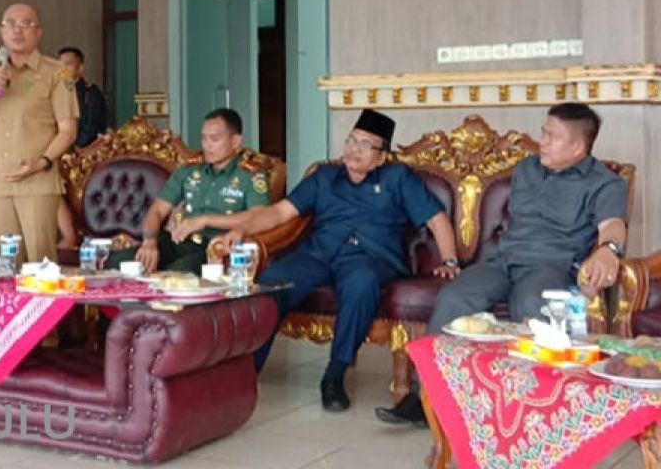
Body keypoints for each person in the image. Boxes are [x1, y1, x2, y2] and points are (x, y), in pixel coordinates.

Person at [177, 109, 460, 413]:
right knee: (273, 281)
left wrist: (450, 260)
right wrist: (240, 229)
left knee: (361, 283)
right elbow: (278, 213)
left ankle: (334, 376)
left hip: (370, 258)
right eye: (352, 140)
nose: (354, 149)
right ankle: (247, 370)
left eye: (365, 145)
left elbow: (436, 219)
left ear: (381, 157)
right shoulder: (325, 176)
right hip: (320, 254)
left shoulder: (398, 177)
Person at [376, 102, 628, 427]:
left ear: (578, 146)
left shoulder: (605, 182)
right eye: (543, 132)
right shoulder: (527, 169)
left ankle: (529, 404)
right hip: (502, 261)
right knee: (455, 295)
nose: (542, 141)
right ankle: (427, 397)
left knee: (531, 303)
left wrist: (608, 249)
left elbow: (612, 226)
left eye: (551, 136)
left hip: (549, 267)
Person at [0, 2, 78, 263]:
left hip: (37, 181)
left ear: (39, 33)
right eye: (11, 24)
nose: (18, 30)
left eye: (26, 24)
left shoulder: (57, 73)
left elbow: (68, 131)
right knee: (7, 264)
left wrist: (42, 163)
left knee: (40, 265)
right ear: (2, 32)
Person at [108, 108, 270, 273]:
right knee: (118, 261)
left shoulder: (250, 175)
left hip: (214, 248)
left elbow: (259, 216)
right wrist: (149, 242)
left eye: (214, 139)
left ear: (235, 141)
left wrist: (205, 220)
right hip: (178, 241)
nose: (207, 146)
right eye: (204, 138)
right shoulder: (189, 170)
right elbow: (157, 210)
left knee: (178, 274)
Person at [58, 47, 108, 148]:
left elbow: (91, 130)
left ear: (80, 68)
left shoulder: (91, 93)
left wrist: (70, 148)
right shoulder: (55, 92)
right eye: (59, 65)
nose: (63, 69)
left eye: (68, 64)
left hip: (82, 152)